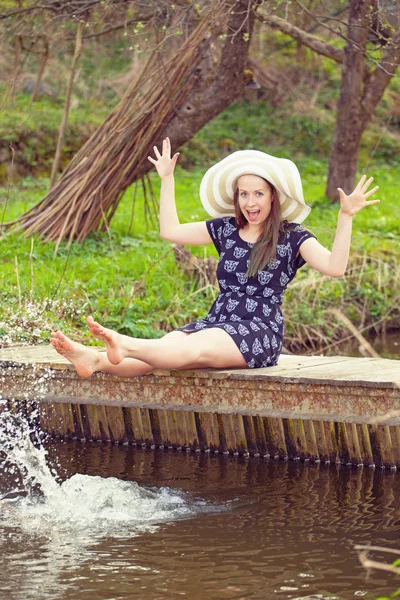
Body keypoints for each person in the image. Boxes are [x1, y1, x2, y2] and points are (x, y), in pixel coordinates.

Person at [50, 138, 380, 377]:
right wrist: (167, 179)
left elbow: (335, 268)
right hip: (216, 321)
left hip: (257, 331)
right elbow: (171, 231)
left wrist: (346, 217)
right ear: (237, 197)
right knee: (164, 351)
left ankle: (123, 343)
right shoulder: (226, 229)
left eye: (259, 194)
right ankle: (93, 360)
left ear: (273, 198)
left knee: (188, 349)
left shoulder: (293, 236)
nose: (251, 202)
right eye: (244, 194)